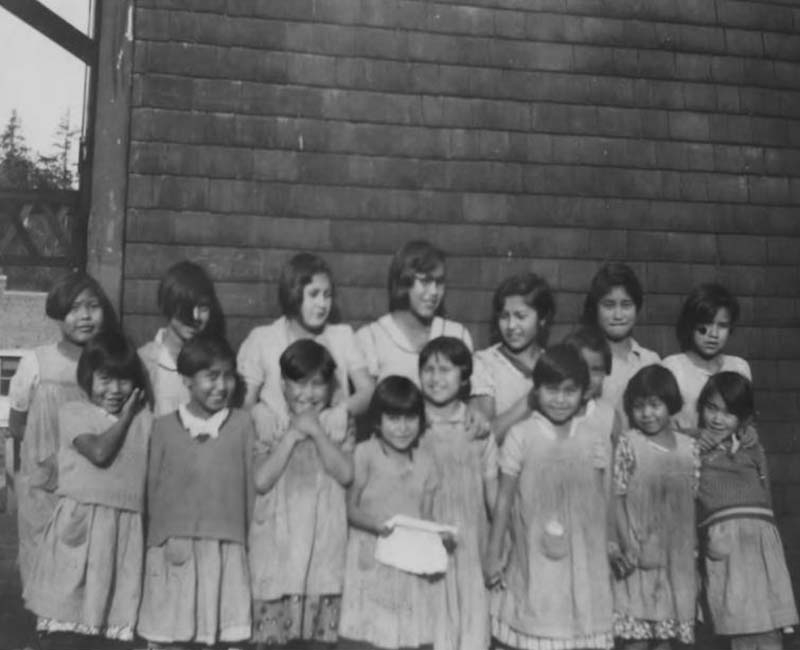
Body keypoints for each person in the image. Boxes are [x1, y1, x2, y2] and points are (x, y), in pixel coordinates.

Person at [24, 331, 150, 646]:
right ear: (87, 378)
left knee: (111, 624)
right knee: (67, 619)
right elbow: (98, 452)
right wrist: (125, 418)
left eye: (123, 381)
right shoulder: (74, 412)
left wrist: (135, 416)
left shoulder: (145, 421)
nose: (115, 390)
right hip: (79, 529)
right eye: (105, 379)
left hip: (123, 534)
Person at [486, 344, 615, 650]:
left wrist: (609, 544)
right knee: (537, 621)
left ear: (584, 393)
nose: (559, 399)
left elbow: (602, 500)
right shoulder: (522, 435)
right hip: (533, 554)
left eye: (569, 391)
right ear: (537, 390)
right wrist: (493, 553)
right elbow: (504, 499)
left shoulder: (593, 438)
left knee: (576, 626)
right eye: (551, 389)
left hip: (583, 558)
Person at [137, 336, 253, 647]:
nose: (221, 385)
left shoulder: (243, 425)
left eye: (228, 375)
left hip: (226, 548)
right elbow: (152, 492)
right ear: (187, 380)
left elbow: (251, 491)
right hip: (174, 549)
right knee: (173, 634)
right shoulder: (162, 428)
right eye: (211, 376)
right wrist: (155, 545)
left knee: (222, 634)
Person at [8, 271, 118, 589]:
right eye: (74, 308)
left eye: (92, 306)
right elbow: (18, 424)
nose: (84, 316)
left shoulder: (109, 364)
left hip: (91, 476)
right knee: (43, 551)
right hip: (44, 480)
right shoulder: (37, 362)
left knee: (86, 552)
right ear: (59, 314)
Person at [249, 339, 355, 650]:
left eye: (318, 385)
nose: (307, 394)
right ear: (283, 385)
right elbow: (261, 480)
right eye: (299, 383)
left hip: (322, 556)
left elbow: (346, 474)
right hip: (277, 555)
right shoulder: (270, 423)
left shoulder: (338, 424)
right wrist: (293, 435)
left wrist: (317, 433)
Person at [338, 376, 445, 650]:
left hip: (409, 564)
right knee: (369, 635)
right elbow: (349, 508)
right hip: (370, 561)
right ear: (377, 420)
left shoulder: (427, 462)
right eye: (393, 418)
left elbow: (427, 517)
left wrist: (438, 536)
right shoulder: (365, 454)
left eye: (410, 418)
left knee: (405, 637)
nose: (402, 428)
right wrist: (376, 524)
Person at [696, 372, 798, 650]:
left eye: (729, 413)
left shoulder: (753, 447)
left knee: (768, 627)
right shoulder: (692, 448)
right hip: (725, 543)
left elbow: (767, 497)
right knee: (741, 626)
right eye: (711, 408)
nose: (718, 419)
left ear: (744, 418)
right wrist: (696, 442)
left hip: (761, 543)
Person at [418, 337, 497, 650]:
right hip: (426, 540)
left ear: (465, 377)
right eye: (428, 369)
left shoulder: (477, 428)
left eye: (445, 370)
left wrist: (499, 544)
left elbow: (493, 494)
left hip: (469, 545)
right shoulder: (411, 423)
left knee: (470, 628)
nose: (435, 378)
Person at [612, 365, 698, 649]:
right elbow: (617, 495)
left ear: (669, 404)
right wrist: (627, 543)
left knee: (666, 639)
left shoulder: (690, 448)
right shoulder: (629, 444)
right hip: (639, 557)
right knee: (636, 639)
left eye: (654, 405)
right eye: (639, 407)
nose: (647, 414)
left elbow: (695, 500)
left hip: (677, 562)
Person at [238, 252, 374, 416]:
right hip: (278, 437)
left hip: (330, 435)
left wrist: (342, 411)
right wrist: (258, 413)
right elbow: (245, 402)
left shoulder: (343, 336)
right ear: (293, 293)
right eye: (314, 294)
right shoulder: (262, 339)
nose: (322, 304)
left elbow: (368, 390)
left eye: (327, 295)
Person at [356, 240, 473, 384]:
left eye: (439, 282)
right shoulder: (371, 338)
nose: (434, 291)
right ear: (404, 282)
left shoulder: (457, 334)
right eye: (425, 281)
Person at [472, 272, 555, 444]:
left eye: (521, 316)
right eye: (504, 316)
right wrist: (531, 399)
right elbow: (485, 437)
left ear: (542, 319)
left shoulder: (554, 364)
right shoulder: (484, 363)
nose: (511, 326)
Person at [138, 260, 226, 416]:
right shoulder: (144, 361)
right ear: (168, 306)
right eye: (186, 308)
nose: (195, 317)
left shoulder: (217, 361)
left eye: (203, 307)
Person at [662, 283, 751, 432]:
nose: (713, 334)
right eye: (706, 324)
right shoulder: (672, 367)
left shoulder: (739, 367)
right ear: (691, 325)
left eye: (722, 326)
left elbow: (746, 421)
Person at [581, 263, 659, 414]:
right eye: (609, 306)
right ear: (596, 309)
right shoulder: (586, 359)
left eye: (626, 305)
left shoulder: (650, 360)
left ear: (637, 308)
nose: (618, 315)